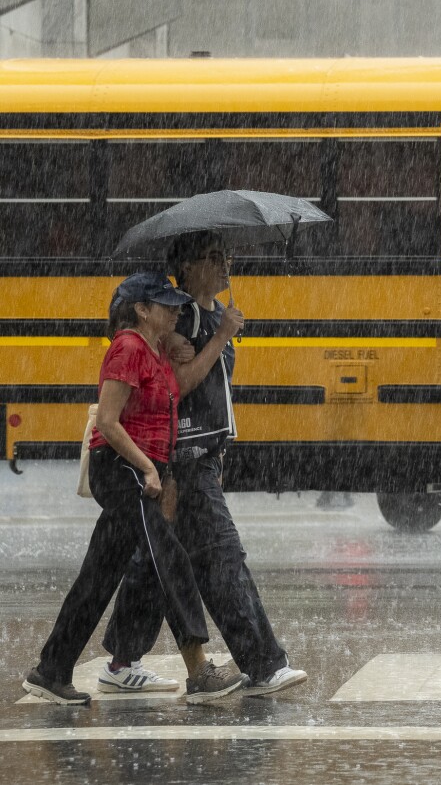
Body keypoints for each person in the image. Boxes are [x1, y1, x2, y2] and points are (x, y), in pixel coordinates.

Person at [100, 233, 308, 698]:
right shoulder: (186, 320)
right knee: (222, 558)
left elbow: (218, 392)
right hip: (184, 459)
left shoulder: (213, 315)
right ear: (188, 267)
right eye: (214, 258)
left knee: (161, 562)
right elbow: (179, 386)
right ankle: (264, 665)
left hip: (205, 456)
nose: (225, 265)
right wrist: (219, 337)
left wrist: (219, 451)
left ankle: (121, 659)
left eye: (227, 256)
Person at [21, 272, 243, 705]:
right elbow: (107, 422)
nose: (177, 311)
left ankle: (51, 670)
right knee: (169, 558)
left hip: (143, 469)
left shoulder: (154, 350)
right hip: (123, 469)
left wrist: (186, 345)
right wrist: (147, 469)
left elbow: (172, 398)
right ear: (141, 310)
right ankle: (198, 670)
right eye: (166, 305)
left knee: (98, 575)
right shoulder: (127, 347)